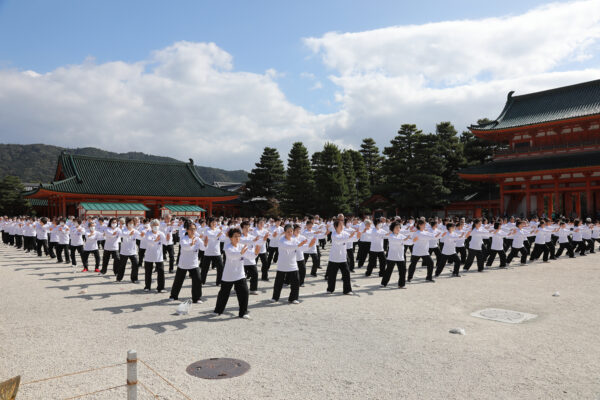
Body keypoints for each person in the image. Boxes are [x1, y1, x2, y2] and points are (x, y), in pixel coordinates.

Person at [213, 228, 259, 319]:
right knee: (223, 294)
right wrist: (241, 253)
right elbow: (232, 256)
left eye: (239, 236)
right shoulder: (227, 246)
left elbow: (250, 255)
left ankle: (243, 312)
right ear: (230, 238)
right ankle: (218, 310)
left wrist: (256, 253)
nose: (237, 238)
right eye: (235, 236)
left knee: (244, 293)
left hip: (240, 274)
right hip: (229, 275)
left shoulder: (241, 246)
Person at [270, 224, 313, 303]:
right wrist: (299, 244)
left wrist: (309, 245)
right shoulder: (281, 240)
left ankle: (293, 298)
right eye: (288, 231)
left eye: (291, 231)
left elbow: (301, 248)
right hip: (282, 265)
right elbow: (288, 246)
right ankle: (275, 297)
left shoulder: (295, 240)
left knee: (295, 283)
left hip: (293, 264)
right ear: (285, 232)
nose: (290, 233)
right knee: (278, 283)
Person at [170, 220, 203, 303]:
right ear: (187, 230)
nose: (193, 231)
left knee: (197, 280)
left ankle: (197, 298)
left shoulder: (198, 239)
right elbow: (185, 247)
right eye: (191, 229)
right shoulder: (183, 238)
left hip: (194, 263)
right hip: (183, 263)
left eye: (194, 229)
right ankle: (173, 296)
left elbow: (203, 248)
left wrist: (205, 243)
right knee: (178, 281)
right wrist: (191, 244)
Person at [326, 220, 358, 294]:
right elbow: (339, 240)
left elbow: (353, 239)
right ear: (335, 226)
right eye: (340, 225)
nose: (342, 226)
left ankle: (347, 290)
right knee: (332, 276)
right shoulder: (333, 234)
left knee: (346, 274)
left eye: (342, 225)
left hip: (343, 258)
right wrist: (350, 237)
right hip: (334, 258)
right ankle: (330, 289)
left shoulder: (345, 233)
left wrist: (358, 236)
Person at [142, 219, 167, 293]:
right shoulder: (148, 233)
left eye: (157, 225)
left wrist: (167, 239)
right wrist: (156, 240)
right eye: (154, 225)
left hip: (159, 256)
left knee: (161, 272)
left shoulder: (161, 233)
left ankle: (161, 287)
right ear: (151, 226)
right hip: (149, 255)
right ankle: (147, 286)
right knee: (148, 271)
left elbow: (165, 242)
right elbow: (149, 242)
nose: (156, 227)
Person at [380, 221, 408, 287]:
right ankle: (383, 283)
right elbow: (395, 241)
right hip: (392, 256)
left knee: (403, 271)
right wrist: (404, 240)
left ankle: (401, 285)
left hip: (400, 256)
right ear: (392, 228)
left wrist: (412, 240)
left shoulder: (401, 235)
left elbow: (409, 242)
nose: (398, 229)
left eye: (399, 228)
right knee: (388, 271)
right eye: (396, 228)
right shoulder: (390, 235)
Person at [200, 217, 225, 285]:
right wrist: (217, 236)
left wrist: (222, 234)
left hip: (217, 252)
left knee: (220, 268)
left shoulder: (218, 230)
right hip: (208, 252)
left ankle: (219, 282)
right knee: (205, 268)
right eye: (212, 222)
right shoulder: (207, 230)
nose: (214, 223)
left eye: (215, 222)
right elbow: (209, 237)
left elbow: (223, 238)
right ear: (209, 223)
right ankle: (202, 281)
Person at [117, 217, 140, 283]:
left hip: (133, 251)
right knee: (122, 265)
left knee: (135, 264)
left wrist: (144, 234)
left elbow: (140, 236)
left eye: (132, 223)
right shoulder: (123, 230)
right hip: (124, 251)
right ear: (127, 224)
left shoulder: (135, 231)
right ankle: (119, 278)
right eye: (130, 223)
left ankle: (134, 278)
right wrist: (129, 234)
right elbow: (121, 235)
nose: (131, 224)